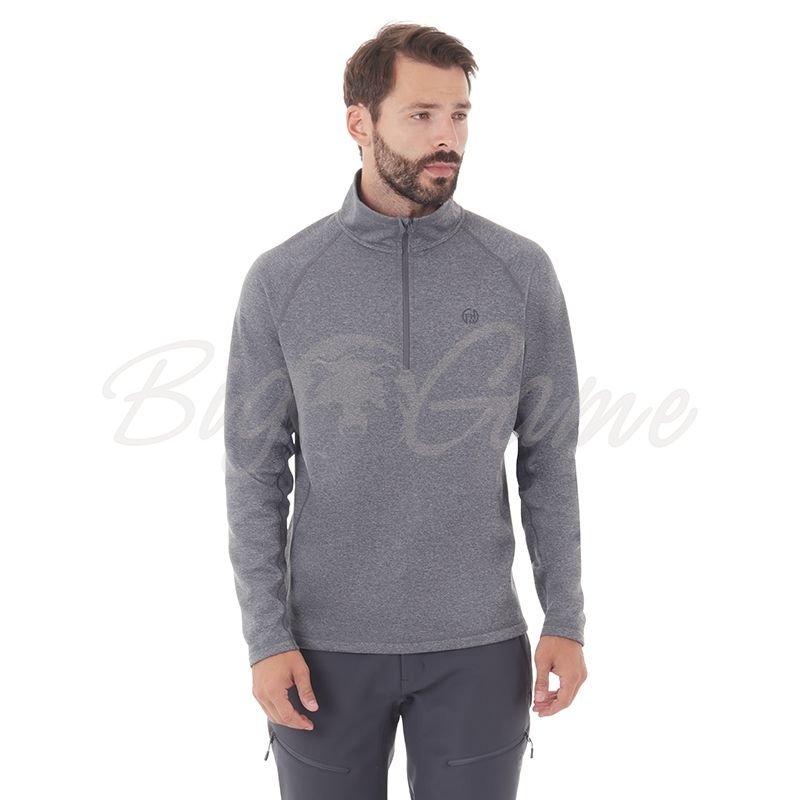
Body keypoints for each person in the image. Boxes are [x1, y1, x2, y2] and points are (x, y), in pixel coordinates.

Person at [224, 21, 588, 800]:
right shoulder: (283, 279)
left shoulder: (520, 272)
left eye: (458, 115)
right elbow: (254, 473)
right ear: (359, 123)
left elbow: (549, 460)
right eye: (420, 115)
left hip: (479, 646)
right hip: (320, 652)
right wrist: (265, 637)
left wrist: (565, 617)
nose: (446, 137)